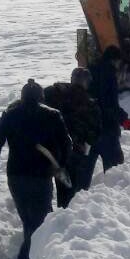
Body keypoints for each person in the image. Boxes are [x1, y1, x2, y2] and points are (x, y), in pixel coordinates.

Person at [0, 79, 72, 259]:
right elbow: (67, 144)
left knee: (29, 220)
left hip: (16, 177)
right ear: (41, 98)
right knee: (38, 223)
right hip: (40, 176)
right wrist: (60, 165)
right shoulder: (52, 115)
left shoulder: (11, 115)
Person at [43, 68, 102, 207]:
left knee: (62, 188)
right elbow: (95, 133)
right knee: (75, 192)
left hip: (57, 152)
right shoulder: (90, 103)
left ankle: (61, 214)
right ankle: (69, 217)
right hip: (77, 153)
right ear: (86, 82)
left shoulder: (57, 95)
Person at [89, 45, 128, 172]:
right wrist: (122, 117)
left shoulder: (91, 69)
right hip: (107, 127)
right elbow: (109, 102)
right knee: (116, 168)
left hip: (89, 127)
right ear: (115, 60)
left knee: (85, 171)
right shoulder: (109, 73)